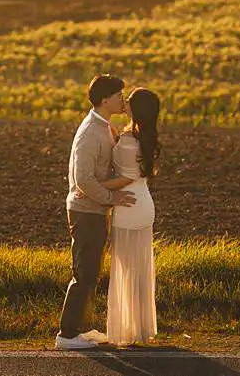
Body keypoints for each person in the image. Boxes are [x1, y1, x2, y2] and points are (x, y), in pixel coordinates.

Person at [55, 74, 137, 351]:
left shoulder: (104, 127)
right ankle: (67, 335)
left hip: (94, 210)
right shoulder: (91, 132)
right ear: (105, 99)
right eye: (118, 95)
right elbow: (83, 179)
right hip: (85, 210)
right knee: (84, 272)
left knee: (92, 271)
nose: (122, 99)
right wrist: (111, 198)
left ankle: (82, 328)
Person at [104, 87, 161, 347]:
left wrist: (96, 187)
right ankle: (140, 326)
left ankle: (126, 329)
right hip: (144, 203)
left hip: (128, 205)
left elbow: (126, 178)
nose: (124, 103)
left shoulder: (127, 141)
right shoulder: (144, 137)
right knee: (140, 269)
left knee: (125, 268)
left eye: (129, 101)